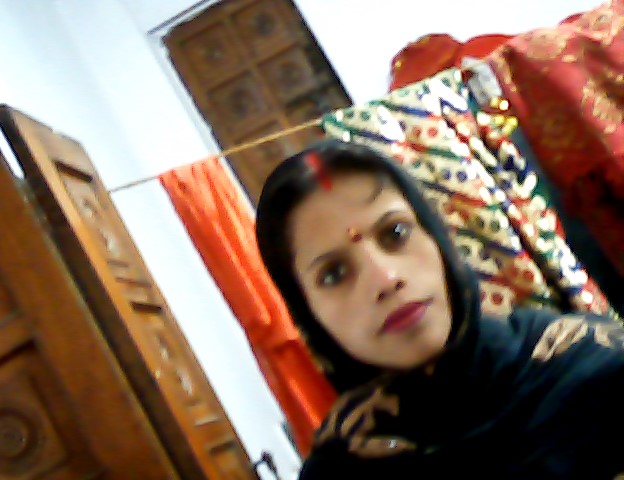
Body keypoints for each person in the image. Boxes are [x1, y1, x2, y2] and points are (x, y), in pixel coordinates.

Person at [255, 139, 624, 479]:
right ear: (308, 315)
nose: (386, 279)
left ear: (436, 237)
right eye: (334, 273)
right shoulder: (341, 470)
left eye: (395, 234)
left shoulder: (598, 370)